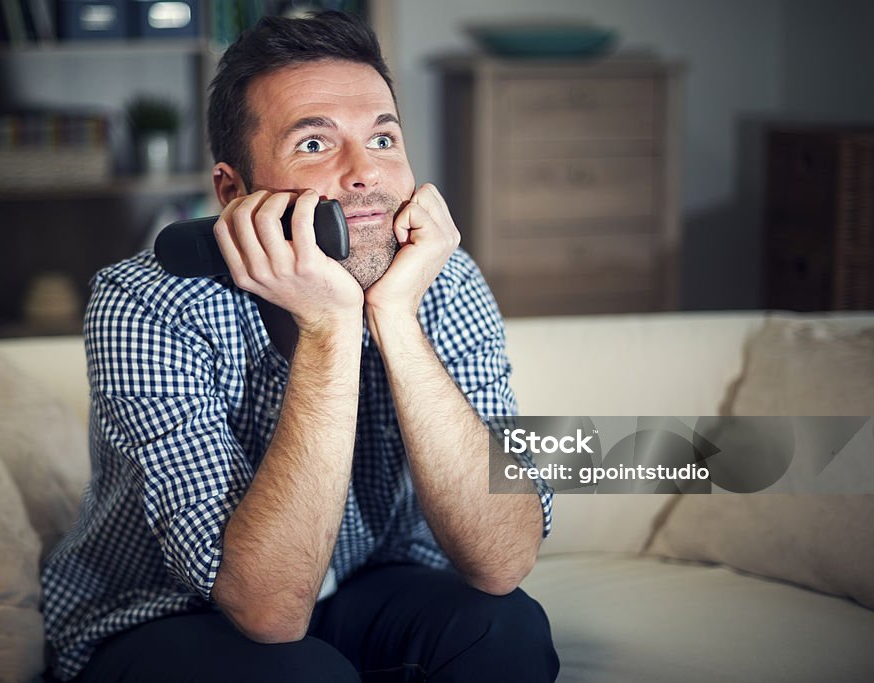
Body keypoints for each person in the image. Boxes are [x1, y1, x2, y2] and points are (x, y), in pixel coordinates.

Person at [42, 10, 559, 682]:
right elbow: (267, 612)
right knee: (299, 673)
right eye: (315, 145)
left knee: (506, 630)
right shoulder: (144, 302)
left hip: (360, 581)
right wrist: (330, 326)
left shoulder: (440, 273)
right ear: (233, 191)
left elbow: (504, 558)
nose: (364, 173)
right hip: (170, 614)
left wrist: (395, 316)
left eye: (382, 138)